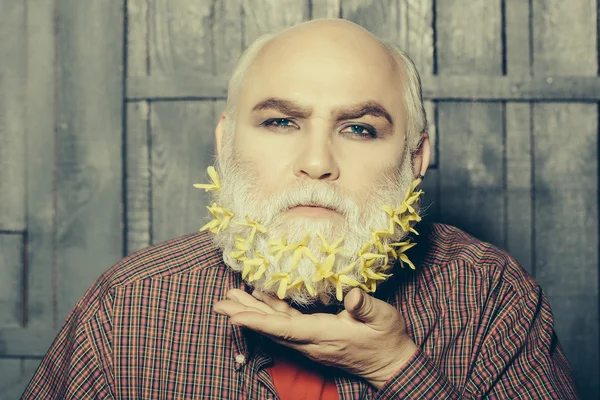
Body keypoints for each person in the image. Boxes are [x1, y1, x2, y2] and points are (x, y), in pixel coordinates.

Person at [23, 18, 578, 399]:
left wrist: (396, 369)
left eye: (359, 129)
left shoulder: (491, 296)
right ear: (225, 143)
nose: (316, 162)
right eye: (280, 122)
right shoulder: (129, 306)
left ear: (416, 157)